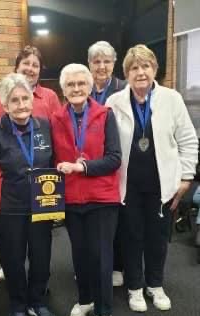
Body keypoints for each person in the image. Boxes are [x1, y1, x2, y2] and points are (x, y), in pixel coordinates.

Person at [106, 44, 198, 313]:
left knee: (157, 237)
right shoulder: (115, 102)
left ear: (154, 69)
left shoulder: (172, 99)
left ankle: (155, 285)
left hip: (162, 184)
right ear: (127, 73)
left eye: (145, 66)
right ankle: (135, 287)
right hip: (128, 185)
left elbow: (188, 141)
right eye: (134, 67)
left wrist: (186, 177)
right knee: (131, 237)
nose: (140, 72)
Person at [0, 73, 57, 316]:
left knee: (41, 256)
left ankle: (38, 301)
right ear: (4, 103)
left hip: (42, 203)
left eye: (25, 98)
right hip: (10, 207)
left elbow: (53, 162)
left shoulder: (44, 125)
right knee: (12, 258)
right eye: (15, 100)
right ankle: (18, 304)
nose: (22, 104)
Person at [52, 63, 121, 316]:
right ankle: (85, 300)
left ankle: (104, 312)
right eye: (71, 84)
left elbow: (114, 158)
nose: (76, 88)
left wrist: (83, 167)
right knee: (79, 254)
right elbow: (53, 158)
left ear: (90, 86)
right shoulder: (56, 118)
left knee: (101, 256)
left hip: (102, 199)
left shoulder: (105, 115)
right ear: (63, 89)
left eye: (81, 83)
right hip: (71, 199)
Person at [0, 45, 62, 283]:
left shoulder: (49, 99)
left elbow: (57, 142)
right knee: (13, 246)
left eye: (35, 65)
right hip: (12, 187)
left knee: (41, 249)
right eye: (26, 64)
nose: (30, 68)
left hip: (43, 188)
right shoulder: (2, 104)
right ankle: (15, 283)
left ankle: (39, 294)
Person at [88, 40, 127, 287]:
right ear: (89, 64)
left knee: (118, 220)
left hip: (117, 163)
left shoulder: (125, 89)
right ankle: (90, 264)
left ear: (114, 63)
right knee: (90, 221)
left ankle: (117, 266)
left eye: (107, 61)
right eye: (96, 61)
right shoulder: (82, 87)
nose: (101, 66)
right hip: (88, 166)